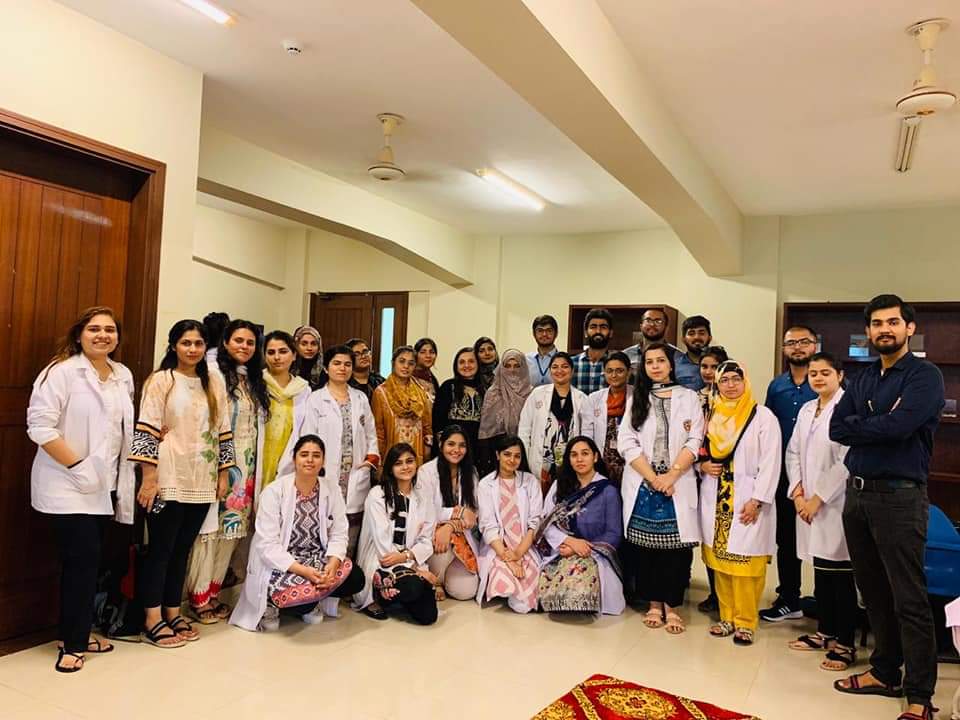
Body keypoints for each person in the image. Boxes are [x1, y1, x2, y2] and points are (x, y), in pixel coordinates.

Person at [830, 295, 944, 720]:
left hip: (900, 496)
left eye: (893, 322)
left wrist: (865, 424)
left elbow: (902, 426)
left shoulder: (924, 376)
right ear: (869, 331)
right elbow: (837, 428)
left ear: (909, 328)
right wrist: (876, 423)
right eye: (877, 323)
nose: (885, 330)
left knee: (908, 597)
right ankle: (884, 672)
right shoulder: (862, 377)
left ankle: (920, 695)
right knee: (873, 591)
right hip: (857, 495)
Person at [27, 307, 136, 672]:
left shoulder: (122, 374)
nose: (102, 335)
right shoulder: (60, 372)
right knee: (83, 564)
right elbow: (40, 427)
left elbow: (120, 428)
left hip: (105, 484)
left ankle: (73, 632)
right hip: (66, 483)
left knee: (88, 563)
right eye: (94, 329)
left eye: (110, 330)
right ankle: (73, 644)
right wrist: (78, 466)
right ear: (79, 335)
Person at [129, 320, 234, 648]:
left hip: (202, 477)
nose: (192, 349)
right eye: (186, 342)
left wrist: (222, 475)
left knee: (182, 550)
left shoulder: (213, 381)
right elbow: (146, 429)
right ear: (174, 345)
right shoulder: (162, 380)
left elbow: (223, 429)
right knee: (161, 550)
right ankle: (152, 618)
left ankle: (173, 612)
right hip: (168, 476)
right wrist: (149, 479)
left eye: (198, 343)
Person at [230, 435, 366, 631]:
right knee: (302, 602)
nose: (310, 460)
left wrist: (332, 564)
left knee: (356, 578)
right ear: (294, 459)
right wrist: (304, 572)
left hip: (315, 558)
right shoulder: (274, 492)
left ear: (323, 461)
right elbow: (267, 546)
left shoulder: (331, 489)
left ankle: (312, 598)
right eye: (304, 455)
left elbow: (339, 531)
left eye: (316, 455)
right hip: (282, 564)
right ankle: (272, 603)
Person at [186, 319, 270, 624]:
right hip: (218, 466)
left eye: (250, 342)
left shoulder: (253, 380)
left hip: (246, 467)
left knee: (231, 533)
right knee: (209, 532)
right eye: (238, 341)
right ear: (225, 342)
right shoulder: (213, 374)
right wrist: (221, 467)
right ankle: (198, 597)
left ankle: (214, 593)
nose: (244, 347)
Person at [619, 343, 704, 634]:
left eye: (660, 361)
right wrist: (653, 477)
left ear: (671, 365)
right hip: (644, 483)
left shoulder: (689, 397)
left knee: (676, 551)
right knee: (646, 548)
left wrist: (671, 475)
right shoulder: (637, 398)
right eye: (649, 362)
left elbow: (695, 439)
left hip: (676, 482)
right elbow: (626, 441)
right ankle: (654, 604)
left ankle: (673, 605)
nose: (655, 366)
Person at [698, 361, 780, 645]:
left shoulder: (762, 417)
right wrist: (702, 466)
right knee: (721, 562)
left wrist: (757, 499)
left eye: (736, 379)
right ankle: (727, 617)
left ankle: (746, 621)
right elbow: (699, 450)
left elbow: (771, 462)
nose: (731, 385)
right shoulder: (712, 413)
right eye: (724, 380)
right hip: (717, 497)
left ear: (746, 381)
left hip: (747, 500)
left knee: (746, 566)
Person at [785, 352, 856, 672]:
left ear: (839, 375)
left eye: (825, 373)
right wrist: (798, 492)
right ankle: (825, 632)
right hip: (806, 502)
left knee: (840, 576)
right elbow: (793, 452)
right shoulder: (806, 409)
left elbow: (847, 461)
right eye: (813, 373)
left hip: (835, 504)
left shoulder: (848, 409)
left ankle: (845, 643)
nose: (818, 378)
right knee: (820, 572)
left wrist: (818, 498)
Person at [760, 324, 818, 623]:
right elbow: (767, 427)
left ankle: (825, 600)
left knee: (823, 540)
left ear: (814, 346)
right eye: (791, 343)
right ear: (784, 349)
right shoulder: (777, 386)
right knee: (786, 538)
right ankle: (789, 598)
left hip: (818, 475)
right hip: (784, 474)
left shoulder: (823, 381)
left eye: (804, 342)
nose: (798, 347)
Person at [298, 344, 380, 559]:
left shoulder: (360, 398)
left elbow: (371, 433)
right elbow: (308, 437)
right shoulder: (316, 399)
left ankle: (347, 572)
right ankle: (323, 571)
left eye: (347, 364)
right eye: (336, 364)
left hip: (356, 472)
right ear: (326, 368)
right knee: (324, 524)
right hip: (325, 471)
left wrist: (371, 459)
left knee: (351, 530)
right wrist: (313, 465)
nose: (342, 368)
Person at [537, 437, 624, 615]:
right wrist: (569, 542)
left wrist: (580, 549)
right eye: (574, 455)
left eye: (585, 454)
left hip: (595, 555)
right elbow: (546, 522)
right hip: (561, 550)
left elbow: (613, 533)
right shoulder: (560, 484)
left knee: (577, 590)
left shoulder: (607, 490)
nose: (579, 459)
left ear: (595, 457)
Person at [355, 443, 438, 625]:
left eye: (409, 461)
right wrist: (417, 571)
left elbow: (426, 539)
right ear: (390, 468)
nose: (405, 467)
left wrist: (408, 557)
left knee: (428, 616)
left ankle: (400, 594)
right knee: (413, 586)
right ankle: (380, 596)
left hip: (409, 559)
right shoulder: (377, 495)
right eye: (398, 463)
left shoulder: (423, 495)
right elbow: (383, 545)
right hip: (382, 559)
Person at [476, 435, 543, 613]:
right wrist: (510, 559)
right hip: (498, 548)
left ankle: (521, 594)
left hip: (524, 546)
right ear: (497, 455)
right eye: (507, 454)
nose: (512, 460)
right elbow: (488, 526)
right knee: (503, 582)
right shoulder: (485, 485)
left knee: (524, 605)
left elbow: (535, 523)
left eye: (517, 456)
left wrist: (518, 554)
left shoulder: (530, 481)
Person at [419, 425, 481, 601]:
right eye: (451, 444)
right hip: (434, 536)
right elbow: (426, 512)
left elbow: (473, 514)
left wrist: (451, 526)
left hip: (462, 537)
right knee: (444, 541)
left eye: (462, 445)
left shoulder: (471, 472)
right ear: (441, 445)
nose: (456, 450)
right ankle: (436, 581)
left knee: (466, 592)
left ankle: (445, 577)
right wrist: (457, 512)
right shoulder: (426, 472)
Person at [518, 352, 588, 495]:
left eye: (564, 366)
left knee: (566, 498)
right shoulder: (537, 394)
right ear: (550, 371)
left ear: (572, 371)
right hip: (542, 461)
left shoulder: (582, 399)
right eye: (555, 367)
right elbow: (524, 429)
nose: (559, 370)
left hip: (570, 460)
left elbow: (586, 434)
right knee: (539, 499)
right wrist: (524, 459)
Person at [695, 345, 729, 615]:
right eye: (704, 367)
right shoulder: (695, 399)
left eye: (714, 367)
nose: (708, 372)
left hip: (729, 477)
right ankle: (714, 593)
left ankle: (728, 594)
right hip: (702, 474)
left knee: (725, 538)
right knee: (707, 535)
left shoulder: (732, 399)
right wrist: (700, 464)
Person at [259, 331, 311, 493]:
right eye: (271, 352)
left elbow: (304, 429)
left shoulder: (303, 390)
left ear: (294, 355)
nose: (277, 357)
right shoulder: (257, 384)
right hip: (258, 455)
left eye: (283, 351)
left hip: (288, 457)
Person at [371, 346, 433, 465]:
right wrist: (379, 460)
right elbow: (378, 430)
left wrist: (427, 448)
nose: (406, 366)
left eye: (411, 363)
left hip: (416, 453)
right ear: (393, 363)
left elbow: (427, 425)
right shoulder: (381, 392)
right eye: (402, 361)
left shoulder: (420, 392)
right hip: (391, 454)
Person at [580, 352, 633, 487]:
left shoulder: (639, 397)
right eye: (609, 371)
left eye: (619, 371)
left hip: (631, 461)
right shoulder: (594, 398)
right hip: (602, 462)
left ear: (629, 372)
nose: (614, 375)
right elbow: (587, 434)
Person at [477, 348, 532, 477]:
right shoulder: (493, 393)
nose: (512, 370)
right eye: (507, 366)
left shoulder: (532, 394)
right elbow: (486, 431)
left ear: (524, 368)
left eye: (517, 366)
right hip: (496, 454)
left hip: (525, 453)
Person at [432, 347, 484, 451]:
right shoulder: (448, 386)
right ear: (456, 366)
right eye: (462, 362)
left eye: (471, 361)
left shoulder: (484, 390)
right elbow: (438, 419)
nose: (466, 365)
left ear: (478, 364)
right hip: (452, 447)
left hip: (476, 448)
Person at [571, 308, 614, 395]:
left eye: (603, 327)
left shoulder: (616, 365)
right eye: (593, 327)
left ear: (611, 333)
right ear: (585, 332)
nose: (598, 331)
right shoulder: (571, 363)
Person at [675, 315, 712, 391]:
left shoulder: (723, 363)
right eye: (691, 333)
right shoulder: (674, 365)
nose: (696, 337)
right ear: (683, 339)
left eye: (701, 333)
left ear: (710, 338)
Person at [526, 314, 559, 388]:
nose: (544, 334)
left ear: (556, 333)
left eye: (549, 330)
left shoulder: (564, 360)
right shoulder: (526, 360)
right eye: (540, 331)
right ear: (534, 334)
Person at [293, 325, 327, 391]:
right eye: (304, 344)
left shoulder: (325, 372)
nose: (309, 348)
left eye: (313, 344)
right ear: (296, 345)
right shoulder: (288, 368)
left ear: (319, 347)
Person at [413, 337, 441, 404]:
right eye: (423, 352)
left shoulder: (432, 379)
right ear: (416, 355)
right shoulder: (409, 378)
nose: (428, 356)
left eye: (432, 352)